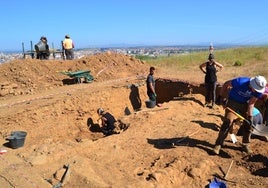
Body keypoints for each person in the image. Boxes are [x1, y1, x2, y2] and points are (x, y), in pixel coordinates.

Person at [213, 75, 267, 154]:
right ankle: (218, 144)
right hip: (232, 101)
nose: (256, 91)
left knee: (249, 123)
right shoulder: (240, 82)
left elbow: (251, 103)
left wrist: (249, 116)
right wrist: (220, 96)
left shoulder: (258, 91)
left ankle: (246, 144)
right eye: (255, 89)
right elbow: (226, 84)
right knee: (228, 121)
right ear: (252, 84)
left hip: (245, 103)